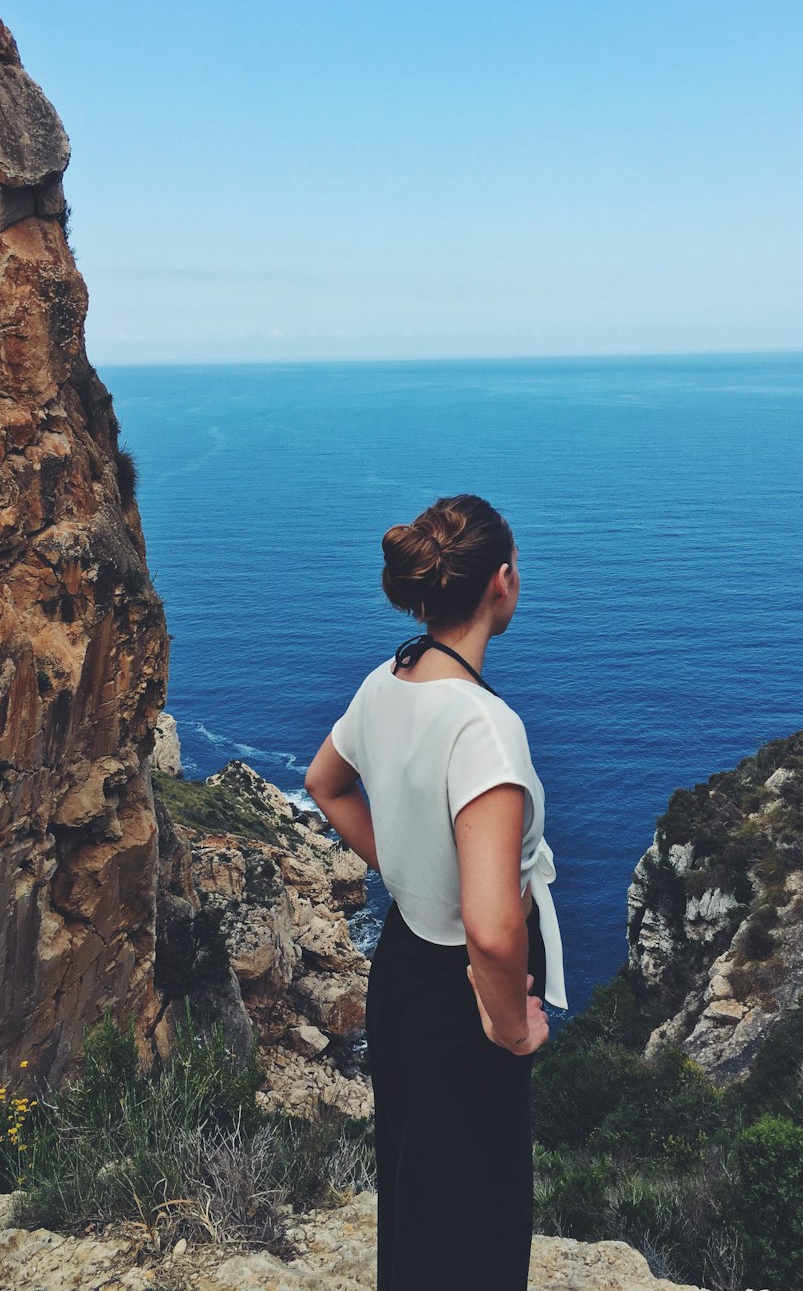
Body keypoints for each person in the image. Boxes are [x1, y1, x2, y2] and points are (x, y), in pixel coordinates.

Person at [304, 492, 568, 1291]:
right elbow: (491, 928)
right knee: (479, 1220)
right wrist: (510, 1023)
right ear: (502, 583)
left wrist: (406, 866)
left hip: (404, 970)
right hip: (466, 1002)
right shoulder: (484, 728)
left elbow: (326, 783)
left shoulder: (388, 679)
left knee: (417, 1193)